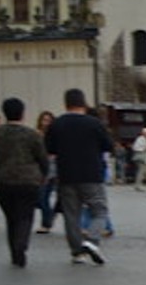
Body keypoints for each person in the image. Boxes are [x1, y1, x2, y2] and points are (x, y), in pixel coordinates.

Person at [45, 89, 114, 265]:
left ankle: (77, 252)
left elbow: (50, 149)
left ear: (66, 103)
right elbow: (108, 145)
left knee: (71, 214)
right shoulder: (94, 123)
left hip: (67, 174)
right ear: (83, 103)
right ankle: (91, 241)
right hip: (91, 174)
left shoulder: (57, 124)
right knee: (99, 211)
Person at [0, 97, 49, 267]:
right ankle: (21, 246)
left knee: (11, 217)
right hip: (28, 180)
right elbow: (42, 157)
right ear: (23, 113)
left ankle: (14, 251)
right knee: (25, 215)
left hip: (3, 180)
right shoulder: (32, 134)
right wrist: (44, 174)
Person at [34, 111, 59, 235]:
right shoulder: (36, 134)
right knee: (40, 198)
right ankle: (49, 218)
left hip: (52, 168)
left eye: (48, 120)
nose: (46, 123)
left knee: (43, 196)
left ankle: (46, 223)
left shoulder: (55, 135)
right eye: (44, 120)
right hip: (38, 168)